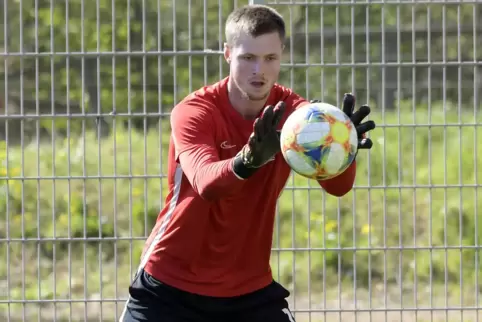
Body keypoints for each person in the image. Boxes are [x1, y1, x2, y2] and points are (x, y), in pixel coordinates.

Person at [120, 4, 376, 322]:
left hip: (248, 290)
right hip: (170, 286)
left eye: (270, 58)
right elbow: (206, 183)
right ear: (228, 53)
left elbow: (339, 188)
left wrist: (341, 149)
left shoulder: (297, 118)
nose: (260, 70)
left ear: (281, 54)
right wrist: (249, 160)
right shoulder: (194, 112)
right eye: (248, 58)